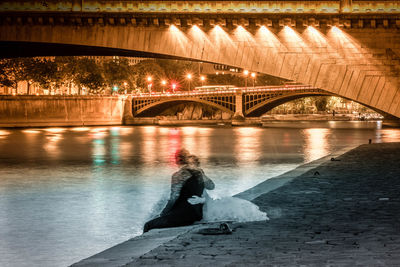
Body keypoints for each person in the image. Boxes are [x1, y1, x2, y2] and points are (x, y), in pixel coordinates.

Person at [143, 149, 212, 232]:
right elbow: (211, 186)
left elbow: (173, 199)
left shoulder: (178, 175)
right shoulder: (199, 173)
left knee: (148, 225)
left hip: (183, 214)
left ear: (178, 160)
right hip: (197, 214)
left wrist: (162, 214)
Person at [187, 155, 268, 223]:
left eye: (192, 164)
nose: (191, 166)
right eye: (189, 164)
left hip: (204, 202)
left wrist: (201, 176)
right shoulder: (185, 175)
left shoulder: (199, 173)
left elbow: (211, 186)